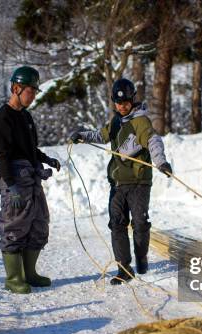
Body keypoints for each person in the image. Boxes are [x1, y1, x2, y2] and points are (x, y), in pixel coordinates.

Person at [69, 78, 172, 285]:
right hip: (118, 184)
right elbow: (101, 135)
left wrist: (161, 162)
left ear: (133, 99)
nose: (121, 106)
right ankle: (124, 268)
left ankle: (141, 260)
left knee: (140, 224)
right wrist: (82, 136)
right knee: (117, 224)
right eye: (117, 103)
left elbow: (153, 141)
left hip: (139, 182)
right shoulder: (115, 121)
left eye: (125, 102)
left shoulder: (140, 121)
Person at [0, 66, 61, 294]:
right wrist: (10, 185)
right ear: (16, 88)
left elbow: (30, 149)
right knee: (14, 228)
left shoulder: (26, 117)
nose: (33, 95)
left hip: (32, 178)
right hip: (14, 182)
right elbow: (1, 156)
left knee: (39, 225)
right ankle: (13, 278)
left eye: (35, 91)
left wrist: (46, 159)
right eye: (31, 91)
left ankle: (30, 273)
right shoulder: (1, 119)